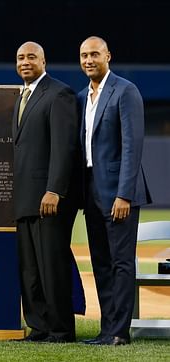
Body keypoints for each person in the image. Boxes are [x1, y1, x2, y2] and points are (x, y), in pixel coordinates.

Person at [78, 36, 151, 346]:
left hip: (119, 193)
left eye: (94, 53)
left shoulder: (125, 91)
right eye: (83, 55)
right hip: (91, 191)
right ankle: (106, 329)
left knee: (121, 262)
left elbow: (132, 146)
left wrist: (124, 194)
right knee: (101, 262)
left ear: (108, 55)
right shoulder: (82, 96)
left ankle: (119, 332)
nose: (88, 59)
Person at [12, 41, 80, 343]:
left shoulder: (59, 93)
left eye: (31, 57)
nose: (25, 62)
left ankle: (61, 329)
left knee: (52, 265)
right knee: (30, 269)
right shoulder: (21, 96)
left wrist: (55, 189)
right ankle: (39, 327)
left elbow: (64, 148)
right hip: (25, 198)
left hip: (48, 198)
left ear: (44, 60)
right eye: (20, 58)